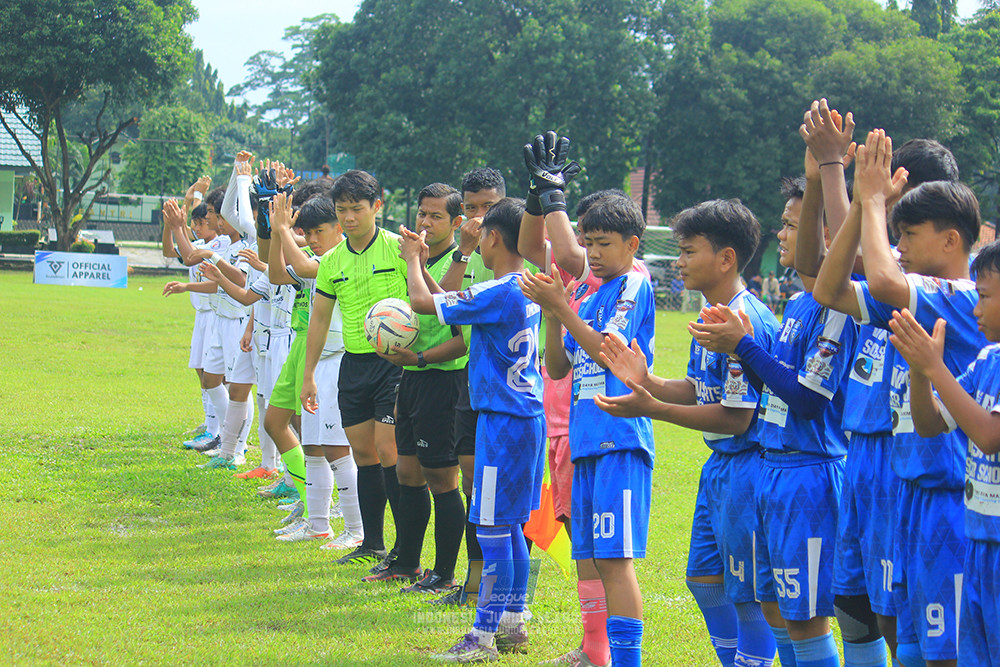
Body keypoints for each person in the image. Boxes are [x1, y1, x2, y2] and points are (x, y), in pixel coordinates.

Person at [812, 130, 983, 667]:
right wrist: (866, 202)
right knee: (902, 635)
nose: (898, 244)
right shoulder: (919, 299)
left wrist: (873, 203)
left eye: (907, 233)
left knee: (945, 650)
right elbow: (829, 289)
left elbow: (883, 276)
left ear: (951, 240)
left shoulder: (960, 298)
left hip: (949, 497)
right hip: (910, 488)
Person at [596, 198, 780, 667]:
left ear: (725, 258)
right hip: (721, 468)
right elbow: (702, 390)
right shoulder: (712, 312)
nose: (678, 261)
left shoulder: (742, 321)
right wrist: (649, 381)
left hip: (751, 466)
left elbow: (736, 417)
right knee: (704, 580)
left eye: (688, 251)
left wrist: (651, 406)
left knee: (748, 592)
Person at [688, 171, 858, 667]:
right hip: (775, 470)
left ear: (830, 234)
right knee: (775, 608)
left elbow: (807, 400)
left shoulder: (836, 309)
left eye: (792, 224)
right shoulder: (800, 304)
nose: (782, 234)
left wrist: (742, 346)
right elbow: (775, 392)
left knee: (805, 616)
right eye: (787, 223)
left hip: (811, 472)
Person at [406, 198, 545, 662]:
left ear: (495, 238)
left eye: (481, 234)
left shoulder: (501, 288)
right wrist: (428, 267)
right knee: (510, 527)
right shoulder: (527, 285)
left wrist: (411, 262)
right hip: (527, 418)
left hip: (502, 424)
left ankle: (481, 636)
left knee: (490, 529)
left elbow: (423, 305)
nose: (478, 241)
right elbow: (448, 305)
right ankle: (514, 623)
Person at [520, 194, 655, 667]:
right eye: (587, 243)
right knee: (589, 554)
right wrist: (554, 319)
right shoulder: (592, 296)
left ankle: (624, 661)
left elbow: (608, 352)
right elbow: (557, 369)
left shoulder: (633, 287)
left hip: (619, 440)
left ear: (632, 245)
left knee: (616, 562)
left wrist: (563, 306)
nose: (593, 253)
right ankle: (596, 652)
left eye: (603, 244)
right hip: (584, 443)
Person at [887, 240, 1000, 667]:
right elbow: (931, 423)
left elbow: (989, 435)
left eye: (985, 297)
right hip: (980, 540)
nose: (976, 310)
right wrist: (920, 374)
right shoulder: (988, 358)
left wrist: (936, 368)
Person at [361, 183, 469, 592]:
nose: (425, 222)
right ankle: (406, 562)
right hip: (410, 377)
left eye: (436, 215)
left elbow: (462, 336)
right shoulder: (414, 257)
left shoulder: (462, 264)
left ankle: (443, 574)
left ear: (455, 222)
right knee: (407, 472)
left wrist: (422, 357)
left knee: (443, 479)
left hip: (443, 380)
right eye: (422, 213)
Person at [305, 169, 408, 567]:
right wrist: (309, 374)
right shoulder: (331, 261)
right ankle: (372, 542)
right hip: (354, 366)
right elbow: (318, 319)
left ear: (376, 207)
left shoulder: (400, 249)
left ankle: (405, 546)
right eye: (342, 210)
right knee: (363, 454)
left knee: (388, 450)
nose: (349, 218)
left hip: (395, 365)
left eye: (357, 209)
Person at [264, 192, 363, 547]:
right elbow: (278, 273)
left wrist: (283, 231)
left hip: (337, 358)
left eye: (319, 231)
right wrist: (279, 233)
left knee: (337, 447)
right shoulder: (314, 253)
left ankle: (356, 529)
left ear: (339, 228)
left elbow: (305, 269)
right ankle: (317, 523)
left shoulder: (339, 257)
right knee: (314, 445)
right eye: (308, 233)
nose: (313, 240)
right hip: (314, 360)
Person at [430, 166, 508, 607]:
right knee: (473, 488)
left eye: (488, 207)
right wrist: (463, 253)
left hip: (513, 391)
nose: (480, 217)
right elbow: (442, 305)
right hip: (470, 379)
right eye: (472, 208)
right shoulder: (468, 252)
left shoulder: (518, 251)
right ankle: (475, 582)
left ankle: (512, 596)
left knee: (508, 499)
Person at [161, 198, 229, 450]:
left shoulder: (221, 243)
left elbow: (190, 257)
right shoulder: (200, 244)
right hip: (202, 314)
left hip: (216, 313)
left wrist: (179, 226)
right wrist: (170, 226)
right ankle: (211, 427)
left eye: (204, 221)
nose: (201, 226)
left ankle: (220, 432)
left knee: (216, 376)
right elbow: (171, 252)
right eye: (197, 222)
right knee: (202, 371)